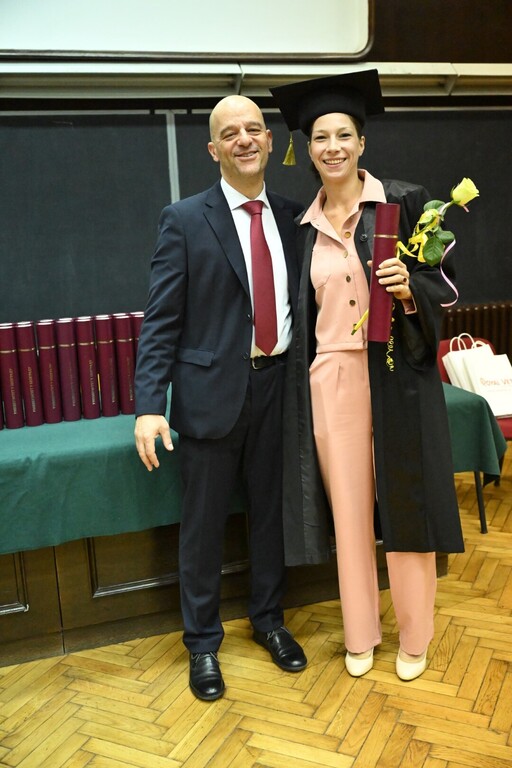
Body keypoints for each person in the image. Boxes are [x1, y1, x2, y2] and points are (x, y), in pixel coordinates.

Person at [270, 70, 464, 681]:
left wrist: (410, 291)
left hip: (398, 370)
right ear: (308, 148)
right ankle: (360, 632)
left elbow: (446, 288)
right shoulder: (300, 228)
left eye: (343, 135)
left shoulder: (405, 204)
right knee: (349, 512)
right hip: (332, 378)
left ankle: (416, 636)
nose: (332, 147)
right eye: (320, 137)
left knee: (406, 502)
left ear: (361, 142)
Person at [134, 94, 307, 701]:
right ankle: (203, 643)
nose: (244, 139)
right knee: (204, 528)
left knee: (272, 516)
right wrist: (149, 405)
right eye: (230, 133)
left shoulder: (294, 217)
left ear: (269, 140)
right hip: (210, 397)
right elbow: (160, 321)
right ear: (213, 149)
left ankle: (269, 620)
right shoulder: (184, 219)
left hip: (281, 389)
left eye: (254, 128)